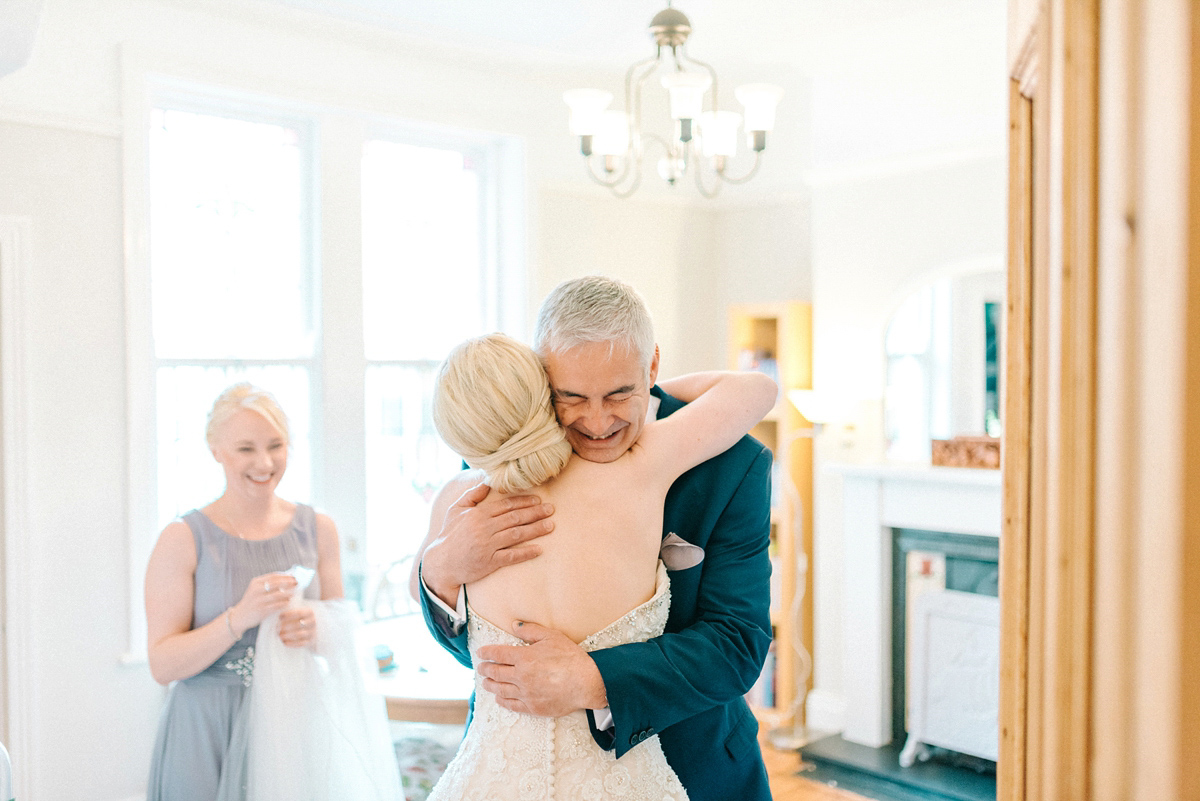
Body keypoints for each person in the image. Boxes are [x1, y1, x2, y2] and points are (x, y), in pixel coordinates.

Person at [416, 275, 777, 800]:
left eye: (620, 393)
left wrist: (593, 679)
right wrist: (442, 570)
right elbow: (479, 644)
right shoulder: (493, 456)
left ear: (652, 368)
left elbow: (738, 644)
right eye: (571, 397)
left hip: (691, 765)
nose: (597, 421)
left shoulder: (729, 462)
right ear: (543, 380)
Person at [144, 382, 386, 800]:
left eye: (276, 445)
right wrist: (239, 617)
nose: (264, 462)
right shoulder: (182, 537)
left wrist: (318, 626)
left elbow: (343, 641)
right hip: (205, 729)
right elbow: (163, 665)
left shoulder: (319, 529)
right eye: (245, 449)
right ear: (215, 449)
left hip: (290, 726)